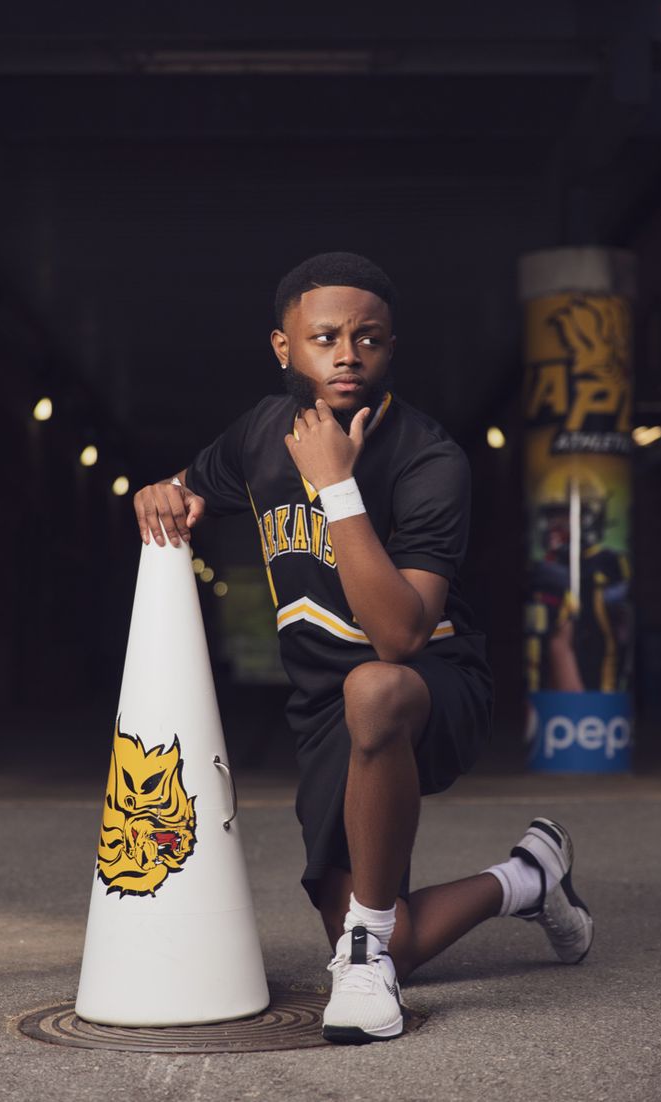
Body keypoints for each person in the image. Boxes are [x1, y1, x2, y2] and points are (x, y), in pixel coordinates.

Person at [133, 252, 594, 1045]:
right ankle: (529, 876)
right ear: (285, 348)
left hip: (431, 690)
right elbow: (188, 488)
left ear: (390, 347)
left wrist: (337, 487)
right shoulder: (257, 435)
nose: (347, 353)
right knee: (397, 944)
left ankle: (365, 946)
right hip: (323, 711)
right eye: (324, 337)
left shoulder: (430, 458)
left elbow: (402, 636)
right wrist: (161, 489)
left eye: (368, 337)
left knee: (375, 689)